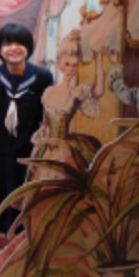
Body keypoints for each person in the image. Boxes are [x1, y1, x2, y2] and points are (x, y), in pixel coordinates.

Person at [0, 23, 53, 267]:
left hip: (26, 155)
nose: (14, 48)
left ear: (28, 48)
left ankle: (18, 264)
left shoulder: (42, 77)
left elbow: (47, 117)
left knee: (23, 213)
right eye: (8, 43)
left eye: (19, 43)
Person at [30, 29, 105, 179]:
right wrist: (37, 147)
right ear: (59, 63)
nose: (70, 69)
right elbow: (45, 125)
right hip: (47, 149)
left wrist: (99, 59)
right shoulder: (49, 93)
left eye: (74, 65)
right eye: (67, 64)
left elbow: (98, 91)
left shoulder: (77, 92)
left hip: (66, 150)